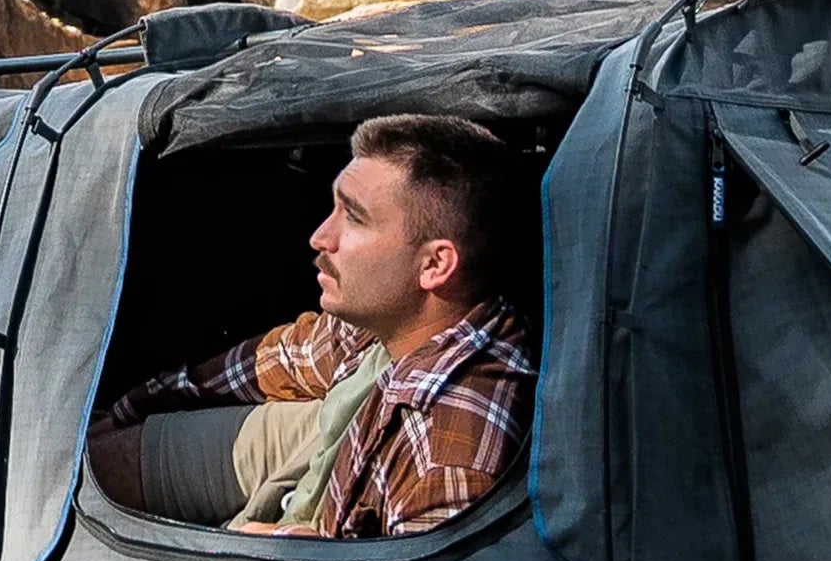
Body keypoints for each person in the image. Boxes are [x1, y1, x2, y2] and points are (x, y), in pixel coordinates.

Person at [87, 113, 535, 539]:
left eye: (353, 217)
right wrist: (124, 412)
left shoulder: (447, 463)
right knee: (96, 464)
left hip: (335, 549)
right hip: (330, 453)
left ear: (434, 265)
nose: (320, 237)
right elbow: (283, 358)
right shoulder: (387, 321)